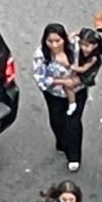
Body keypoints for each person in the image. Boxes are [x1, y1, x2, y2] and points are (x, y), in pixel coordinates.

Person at [32, 23, 85, 172]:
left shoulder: (75, 48)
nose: (54, 45)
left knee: (73, 123)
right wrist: (62, 82)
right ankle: (62, 142)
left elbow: (89, 62)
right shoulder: (41, 55)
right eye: (50, 41)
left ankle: (74, 156)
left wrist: (72, 72)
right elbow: (40, 78)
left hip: (77, 91)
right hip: (54, 94)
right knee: (56, 120)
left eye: (58, 41)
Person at [65, 28, 102, 116]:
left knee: (68, 85)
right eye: (81, 44)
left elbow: (84, 69)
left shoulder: (94, 57)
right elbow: (67, 43)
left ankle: (72, 103)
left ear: (95, 45)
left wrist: (71, 67)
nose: (83, 48)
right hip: (78, 69)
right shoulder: (79, 49)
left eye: (87, 46)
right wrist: (74, 34)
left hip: (85, 75)